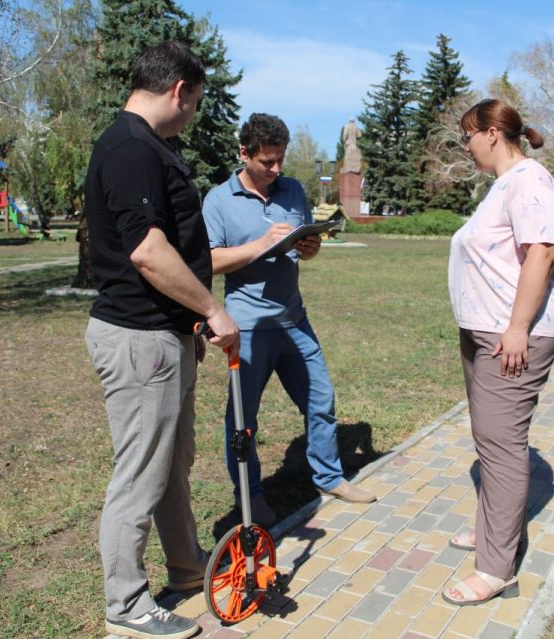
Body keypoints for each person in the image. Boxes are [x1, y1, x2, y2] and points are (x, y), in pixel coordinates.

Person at [82, 42, 239, 639]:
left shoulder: (150, 147)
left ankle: (184, 566)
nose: (193, 114)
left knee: (172, 464)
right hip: (138, 339)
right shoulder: (128, 147)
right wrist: (211, 310)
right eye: (195, 103)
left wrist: (191, 324)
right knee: (141, 474)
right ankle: (125, 606)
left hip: (165, 336)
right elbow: (148, 251)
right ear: (179, 90)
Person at [201, 113, 376, 527]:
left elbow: (298, 248)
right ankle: (252, 495)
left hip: (294, 320)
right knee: (243, 420)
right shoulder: (218, 200)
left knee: (321, 400)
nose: (276, 170)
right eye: (267, 162)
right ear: (243, 154)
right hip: (247, 328)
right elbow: (209, 260)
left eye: (280, 160)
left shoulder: (293, 190)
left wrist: (309, 246)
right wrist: (262, 244)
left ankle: (329, 476)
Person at [443, 99, 554, 606]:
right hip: (485, 332)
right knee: (490, 442)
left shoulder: (530, 180)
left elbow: (542, 251)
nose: (465, 145)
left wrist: (517, 328)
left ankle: (497, 568)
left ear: (492, 133)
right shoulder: (504, 185)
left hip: (511, 338)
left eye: (467, 135)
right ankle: (495, 529)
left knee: (502, 446)